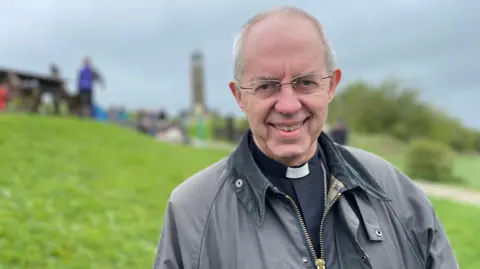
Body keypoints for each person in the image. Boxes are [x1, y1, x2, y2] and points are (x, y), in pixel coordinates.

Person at [153, 6, 458, 269]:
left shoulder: (393, 191)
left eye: (305, 82)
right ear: (239, 96)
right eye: (266, 86)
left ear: (331, 85)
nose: (288, 105)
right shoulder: (192, 212)